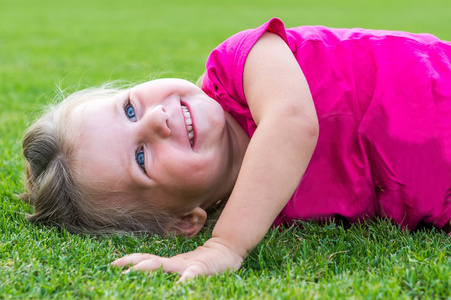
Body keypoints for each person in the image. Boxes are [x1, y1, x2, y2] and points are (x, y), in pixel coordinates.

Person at [22, 18, 451, 281]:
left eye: (131, 108)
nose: (156, 120)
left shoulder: (241, 63)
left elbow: (293, 123)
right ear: (183, 222)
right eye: (141, 158)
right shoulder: (262, 210)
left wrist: (225, 246)